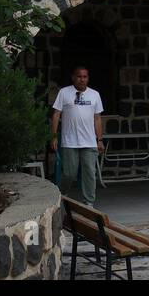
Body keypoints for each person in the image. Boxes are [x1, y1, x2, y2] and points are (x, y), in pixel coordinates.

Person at [50, 65, 104, 205]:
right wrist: (54, 136)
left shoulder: (94, 94)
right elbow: (56, 114)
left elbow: (97, 118)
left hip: (89, 141)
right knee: (69, 173)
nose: (82, 79)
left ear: (88, 78)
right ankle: (61, 194)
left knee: (90, 173)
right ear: (73, 77)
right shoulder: (64, 92)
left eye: (85, 77)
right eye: (79, 76)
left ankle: (89, 203)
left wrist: (100, 139)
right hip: (70, 141)